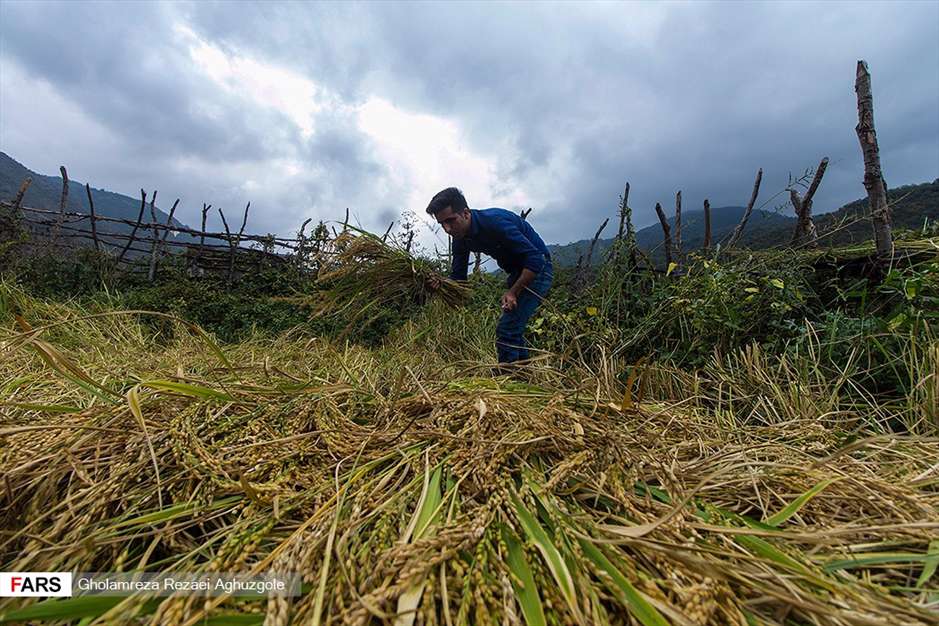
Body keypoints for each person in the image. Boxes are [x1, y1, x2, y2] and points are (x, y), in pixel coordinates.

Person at [425, 187, 553, 365]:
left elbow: (535, 259)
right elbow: (459, 279)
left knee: (507, 329)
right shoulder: (460, 238)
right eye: (442, 224)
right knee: (512, 329)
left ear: (466, 213)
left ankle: (508, 383)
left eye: (451, 221)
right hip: (517, 272)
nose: (447, 229)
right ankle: (524, 380)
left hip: (538, 268)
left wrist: (513, 292)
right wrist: (441, 283)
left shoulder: (495, 222)